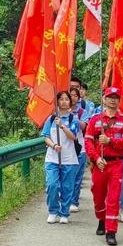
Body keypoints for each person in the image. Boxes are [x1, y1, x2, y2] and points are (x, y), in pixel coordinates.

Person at [84, 86, 123, 246]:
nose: (113, 100)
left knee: (113, 198)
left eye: (116, 97)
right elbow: (88, 141)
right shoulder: (95, 120)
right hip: (99, 165)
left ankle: (111, 231)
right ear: (104, 99)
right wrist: (96, 158)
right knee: (97, 195)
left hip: (116, 163)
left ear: (119, 101)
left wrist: (111, 141)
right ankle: (101, 220)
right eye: (110, 97)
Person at [41, 91, 80, 224]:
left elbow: (73, 136)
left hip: (69, 159)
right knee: (52, 185)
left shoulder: (73, 120)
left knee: (67, 187)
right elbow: (45, 136)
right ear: (57, 102)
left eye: (66, 99)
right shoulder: (51, 119)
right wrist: (53, 145)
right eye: (61, 99)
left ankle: (64, 212)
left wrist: (62, 126)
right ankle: (53, 210)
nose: (64, 101)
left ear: (70, 102)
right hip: (52, 158)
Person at [69, 87, 89, 213]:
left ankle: (74, 201)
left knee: (77, 176)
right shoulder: (60, 112)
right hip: (66, 149)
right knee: (67, 175)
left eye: (75, 95)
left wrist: (73, 118)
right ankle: (65, 198)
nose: (72, 98)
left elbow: (84, 126)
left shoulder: (82, 112)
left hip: (80, 148)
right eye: (70, 95)